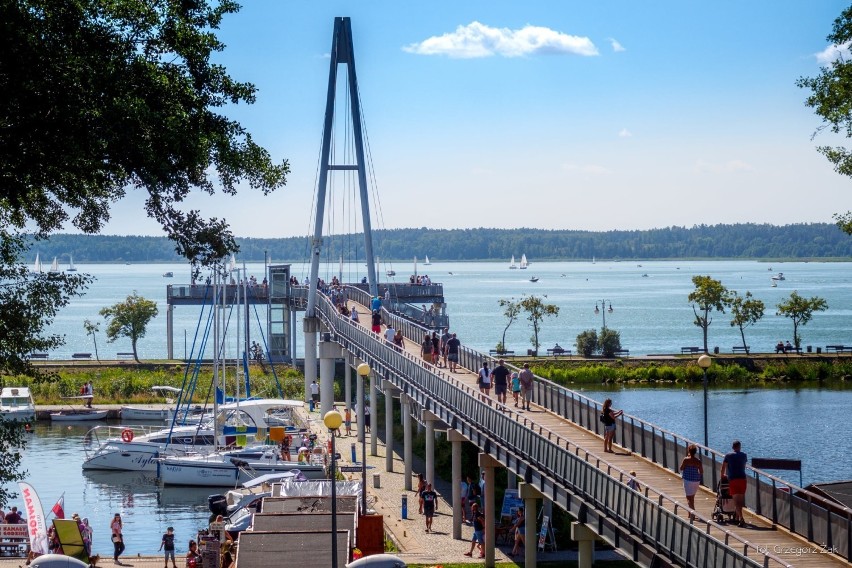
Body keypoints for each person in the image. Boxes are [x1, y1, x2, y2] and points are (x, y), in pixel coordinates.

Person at [721, 440, 748, 527]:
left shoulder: (728, 456)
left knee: (736, 501)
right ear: (740, 447)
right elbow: (743, 466)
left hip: (733, 479)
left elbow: (723, 467)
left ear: (733, 447)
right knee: (740, 500)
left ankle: (741, 518)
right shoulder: (744, 455)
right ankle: (737, 517)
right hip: (743, 479)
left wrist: (723, 476)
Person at [680, 444, 704, 510]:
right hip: (696, 481)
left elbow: (681, 468)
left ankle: (693, 512)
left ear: (689, 451)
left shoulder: (686, 460)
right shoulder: (698, 461)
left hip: (687, 480)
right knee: (692, 497)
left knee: (688, 498)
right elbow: (701, 471)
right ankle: (689, 513)